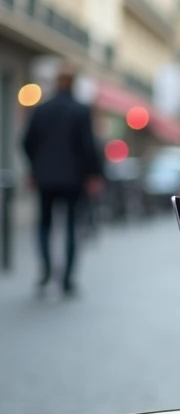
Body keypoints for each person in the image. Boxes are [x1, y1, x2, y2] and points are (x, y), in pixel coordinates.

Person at [21, 66, 102, 296]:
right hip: (73, 178)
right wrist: (94, 174)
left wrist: (35, 168)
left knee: (44, 224)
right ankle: (66, 279)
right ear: (73, 84)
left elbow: (26, 141)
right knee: (70, 226)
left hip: (45, 177)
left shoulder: (41, 110)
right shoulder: (81, 110)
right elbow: (89, 146)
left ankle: (46, 269)